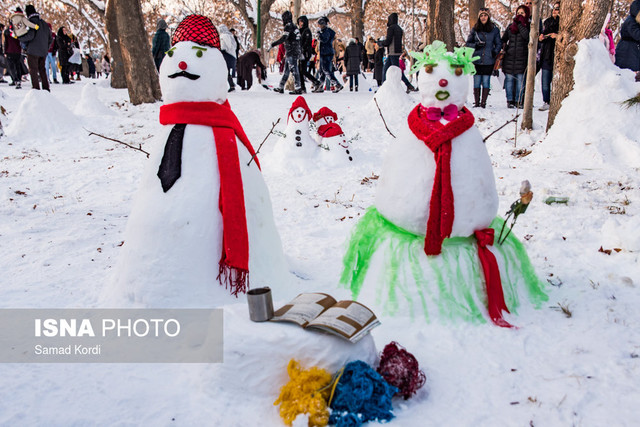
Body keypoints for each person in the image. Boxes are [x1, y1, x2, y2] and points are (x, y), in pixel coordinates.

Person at [466, 7, 502, 108]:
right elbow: (468, 43)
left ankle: (483, 103)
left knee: (486, 80)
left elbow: (499, 43)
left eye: (485, 15)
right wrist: (475, 46)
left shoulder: (494, 30)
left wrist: (495, 52)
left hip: (488, 59)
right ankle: (476, 102)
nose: (483, 17)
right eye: (481, 15)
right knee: (477, 80)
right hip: (476, 59)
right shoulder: (475, 29)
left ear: (489, 16)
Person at [501, 5, 530, 108]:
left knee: (520, 81)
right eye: (518, 13)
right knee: (509, 80)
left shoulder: (528, 26)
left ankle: (519, 101)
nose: (520, 15)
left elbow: (526, 36)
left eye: (522, 13)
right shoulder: (510, 26)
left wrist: (521, 24)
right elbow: (504, 39)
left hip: (522, 58)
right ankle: (510, 100)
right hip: (510, 57)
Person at [380, 13, 416, 92]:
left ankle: (408, 85)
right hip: (396, 51)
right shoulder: (399, 29)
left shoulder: (391, 28)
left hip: (392, 52)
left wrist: (382, 43)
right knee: (385, 69)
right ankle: (383, 87)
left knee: (397, 71)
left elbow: (388, 41)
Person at [270, 11, 303, 95]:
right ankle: (281, 87)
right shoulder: (294, 26)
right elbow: (298, 39)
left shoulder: (288, 27)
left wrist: (273, 44)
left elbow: (284, 37)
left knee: (294, 69)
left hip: (291, 51)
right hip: (293, 50)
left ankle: (298, 88)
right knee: (287, 70)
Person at [22, 5, 52, 91]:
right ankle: (46, 88)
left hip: (32, 51)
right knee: (42, 69)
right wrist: (46, 48)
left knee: (33, 70)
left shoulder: (31, 23)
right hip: (43, 51)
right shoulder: (45, 24)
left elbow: (30, 36)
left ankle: (36, 89)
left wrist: (19, 37)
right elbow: (50, 38)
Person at [538, 3, 559, 111]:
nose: (555, 11)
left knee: (557, 81)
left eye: (558, 9)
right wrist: (541, 37)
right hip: (546, 54)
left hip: (558, 55)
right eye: (554, 9)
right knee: (545, 81)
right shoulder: (547, 22)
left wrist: (558, 36)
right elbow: (542, 34)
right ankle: (546, 101)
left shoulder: (563, 23)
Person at [313, 16, 343, 93]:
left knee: (326, 70)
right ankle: (320, 85)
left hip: (326, 53)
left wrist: (318, 35)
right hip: (325, 53)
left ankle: (337, 84)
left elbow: (324, 40)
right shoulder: (327, 31)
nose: (318, 26)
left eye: (319, 24)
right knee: (322, 71)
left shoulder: (326, 32)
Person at [615, 0, 640, 74]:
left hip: (633, 51)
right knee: (628, 74)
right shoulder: (631, 21)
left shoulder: (635, 21)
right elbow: (637, 34)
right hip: (627, 51)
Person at [297, 15, 321, 93]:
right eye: (299, 22)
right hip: (302, 52)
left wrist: (302, 49)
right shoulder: (300, 31)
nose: (300, 23)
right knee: (300, 70)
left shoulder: (306, 31)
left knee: (302, 70)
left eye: (301, 21)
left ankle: (316, 82)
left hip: (305, 52)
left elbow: (306, 42)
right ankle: (303, 87)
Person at [4, 23, 24, 88]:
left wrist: (5, 51)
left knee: (11, 67)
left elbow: (5, 42)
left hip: (10, 51)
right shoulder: (19, 31)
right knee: (17, 66)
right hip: (17, 51)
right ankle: (17, 79)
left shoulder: (7, 32)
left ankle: (15, 79)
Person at [218, 24, 237, 91]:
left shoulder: (224, 36)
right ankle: (231, 85)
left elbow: (224, 46)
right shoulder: (230, 36)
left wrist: (220, 49)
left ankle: (222, 86)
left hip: (226, 55)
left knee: (222, 70)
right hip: (232, 56)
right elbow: (234, 46)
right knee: (226, 71)